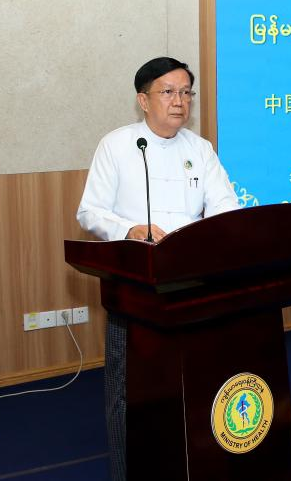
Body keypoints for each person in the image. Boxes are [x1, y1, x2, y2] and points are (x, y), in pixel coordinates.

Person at [76, 56, 240, 481]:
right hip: (134, 284)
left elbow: (225, 206)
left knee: (195, 378)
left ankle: (195, 462)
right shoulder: (117, 145)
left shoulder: (200, 149)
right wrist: (128, 229)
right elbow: (89, 211)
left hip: (191, 281)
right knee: (127, 388)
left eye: (186, 92)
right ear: (143, 100)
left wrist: (212, 232)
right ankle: (126, 471)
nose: (179, 101)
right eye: (168, 92)